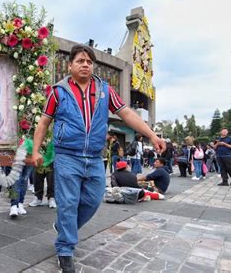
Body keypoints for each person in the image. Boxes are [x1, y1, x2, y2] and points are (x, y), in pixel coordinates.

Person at [32, 44, 165, 272]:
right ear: (71, 65)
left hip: (94, 157)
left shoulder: (105, 90)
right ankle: (65, 249)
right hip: (67, 155)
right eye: (80, 61)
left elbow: (126, 113)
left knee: (93, 201)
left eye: (89, 62)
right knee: (68, 203)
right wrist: (36, 151)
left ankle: (64, 227)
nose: (85, 65)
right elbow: (44, 122)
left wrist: (152, 135)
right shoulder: (58, 92)